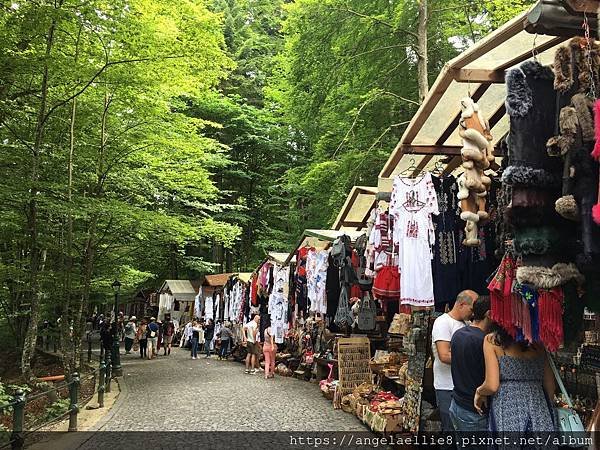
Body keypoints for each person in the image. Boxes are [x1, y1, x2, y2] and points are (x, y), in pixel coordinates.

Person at [474, 326, 556, 439]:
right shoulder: (539, 342)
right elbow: (550, 386)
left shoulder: (492, 341)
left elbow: (492, 385)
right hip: (539, 407)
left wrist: (479, 392)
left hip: (508, 408)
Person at [431, 289, 477, 433]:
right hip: (446, 387)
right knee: (450, 430)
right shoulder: (443, 322)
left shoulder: (466, 324)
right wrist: (473, 359)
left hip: (462, 387)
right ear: (461, 304)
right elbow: (444, 355)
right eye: (472, 309)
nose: (473, 313)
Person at [449, 297, 493, 436]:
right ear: (489, 314)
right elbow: (491, 382)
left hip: (457, 404)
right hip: (474, 411)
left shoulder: (458, 334)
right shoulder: (484, 342)